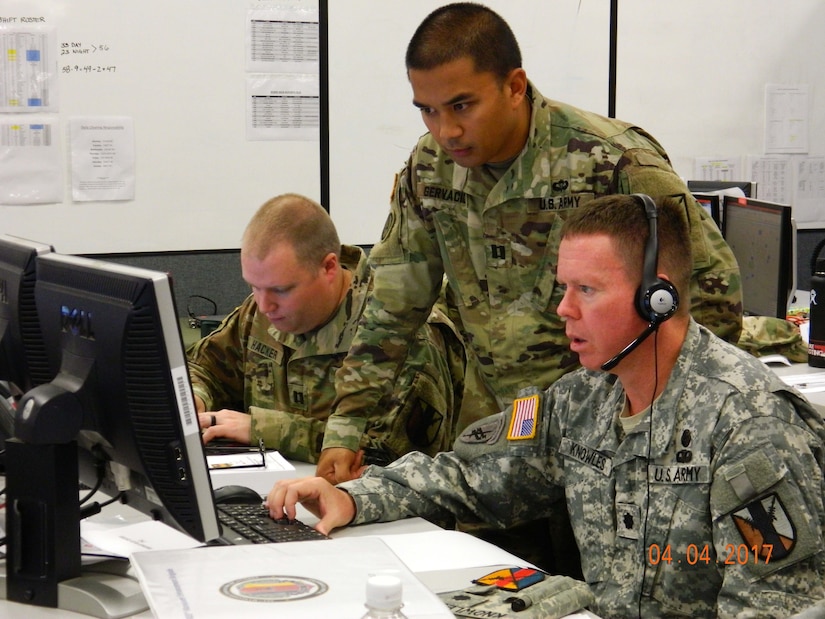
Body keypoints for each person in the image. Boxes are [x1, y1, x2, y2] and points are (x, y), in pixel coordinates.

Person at [267, 194, 825, 619]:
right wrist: (351, 497)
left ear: (657, 299)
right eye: (564, 288)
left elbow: (774, 607)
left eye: (586, 290)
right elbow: (471, 476)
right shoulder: (581, 396)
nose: (563, 310)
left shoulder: (749, 428)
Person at [316, 2, 742, 485]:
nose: (445, 130)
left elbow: (710, 297)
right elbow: (392, 307)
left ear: (514, 87)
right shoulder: (431, 168)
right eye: (428, 111)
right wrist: (345, 427)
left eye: (461, 106)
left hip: (606, 439)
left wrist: (653, 423)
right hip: (498, 432)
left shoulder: (611, 162)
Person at [187, 193, 465, 466]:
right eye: (254, 286)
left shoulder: (398, 331)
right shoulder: (260, 313)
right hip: (276, 491)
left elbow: (396, 458)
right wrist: (196, 398)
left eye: (281, 290)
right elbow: (205, 367)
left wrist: (268, 430)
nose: (264, 305)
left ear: (329, 267)